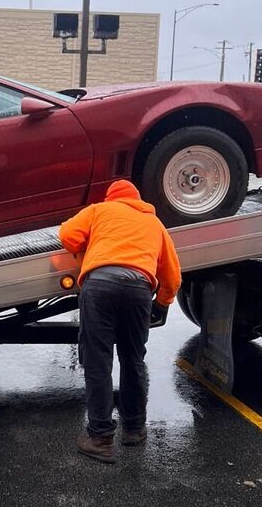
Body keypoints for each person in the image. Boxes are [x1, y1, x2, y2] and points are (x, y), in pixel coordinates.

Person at [59, 179, 181, 462]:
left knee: (98, 360)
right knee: (133, 359)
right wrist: (161, 303)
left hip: (100, 285)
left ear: (111, 197)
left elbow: (67, 235)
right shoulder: (154, 224)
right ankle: (134, 429)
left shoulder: (99, 210)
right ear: (138, 199)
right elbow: (173, 275)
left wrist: (85, 247)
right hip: (139, 288)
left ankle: (100, 438)